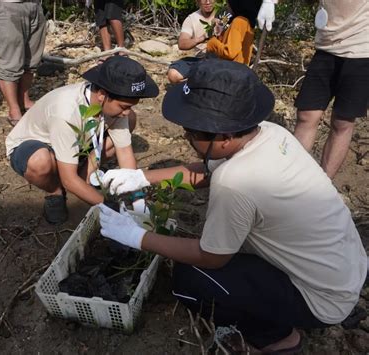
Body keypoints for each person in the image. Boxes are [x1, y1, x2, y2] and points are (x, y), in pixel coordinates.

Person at [97, 58, 367, 352]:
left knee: (188, 280)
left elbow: (211, 257)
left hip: (322, 300)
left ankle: (275, 338)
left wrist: (137, 237)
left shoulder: (235, 181)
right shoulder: (269, 133)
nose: (186, 136)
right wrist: (141, 177)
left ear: (223, 138)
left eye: (191, 132)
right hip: (346, 266)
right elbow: (206, 170)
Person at [5, 56, 158, 224]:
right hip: (37, 146)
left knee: (129, 121)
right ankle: (55, 192)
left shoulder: (114, 103)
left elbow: (125, 154)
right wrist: (111, 208)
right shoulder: (65, 112)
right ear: (102, 95)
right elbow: (69, 180)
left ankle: (84, 175)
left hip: (76, 143)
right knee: (40, 162)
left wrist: (139, 202)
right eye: (124, 107)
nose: (126, 112)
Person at [291, 1, 369, 179]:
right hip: (326, 45)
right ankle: (292, 179)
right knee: (306, 115)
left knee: (342, 123)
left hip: (362, 50)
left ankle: (323, 186)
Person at [0, 0, 46, 126]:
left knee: (32, 60)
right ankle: (14, 109)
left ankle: (24, 100)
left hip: (34, 5)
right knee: (10, 62)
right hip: (6, 5)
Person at [167, 0, 216, 83]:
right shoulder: (191, 19)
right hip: (201, 59)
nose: (208, 2)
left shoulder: (224, 14)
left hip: (221, 59)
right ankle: (192, 86)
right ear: (198, 2)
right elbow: (182, 44)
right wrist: (202, 38)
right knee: (173, 74)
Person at [206, 0, 263, 66]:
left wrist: (212, 43)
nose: (227, 6)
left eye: (229, 4)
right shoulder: (247, 23)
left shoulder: (239, 22)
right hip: (239, 71)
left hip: (230, 71)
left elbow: (229, 53)